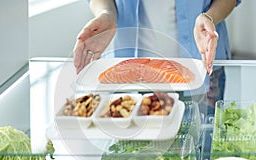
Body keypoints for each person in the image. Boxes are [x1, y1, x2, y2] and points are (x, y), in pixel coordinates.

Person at [73, 0, 241, 115]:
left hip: (200, 65)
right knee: (134, 153)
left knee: (202, 143)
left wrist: (209, 17)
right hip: (128, 72)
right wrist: (106, 13)